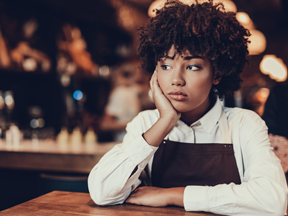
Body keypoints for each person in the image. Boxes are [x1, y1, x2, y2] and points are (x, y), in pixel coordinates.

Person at [88, 1, 288, 215]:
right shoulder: (145, 123)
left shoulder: (244, 124)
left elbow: (273, 201)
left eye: (192, 66)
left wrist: (173, 195)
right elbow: (102, 192)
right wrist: (164, 122)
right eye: (165, 66)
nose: (176, 79)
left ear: (217, 74)